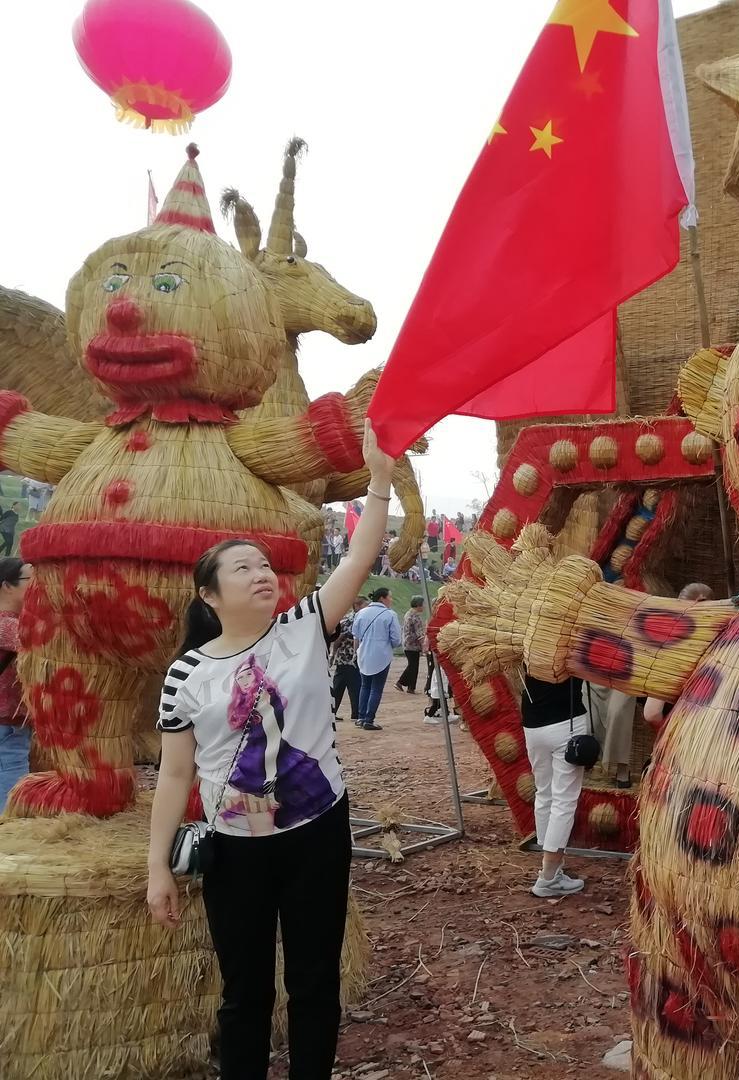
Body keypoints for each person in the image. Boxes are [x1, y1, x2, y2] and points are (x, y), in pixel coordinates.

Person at [145, 419, 395, 1080]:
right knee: (245, 993)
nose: (261, 575)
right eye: (242, 569)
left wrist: (378, 481)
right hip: (234, 848)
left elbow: (359, 557)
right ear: (208, 594)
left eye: (262, 565)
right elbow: (174, 776)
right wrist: (156, 868)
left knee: (314, 982)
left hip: (317, 829)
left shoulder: (305, 627)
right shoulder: (186, 675)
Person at [520, 672, 589, 897]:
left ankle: (551, 865)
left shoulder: (527, 637)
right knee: (564, 801)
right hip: (566, 722)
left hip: (532, 723)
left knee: (545, 793)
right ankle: (548, 877)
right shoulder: (570, 637)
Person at [642, 583, 714, 732]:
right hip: (714, 735)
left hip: (681, 735)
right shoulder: (726, 646)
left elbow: (652, 712)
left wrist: (666, 734)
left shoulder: (672, 651)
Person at [0, 559, 33, 804]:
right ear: (7, 586)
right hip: (6, 725)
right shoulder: (7, 626)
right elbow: (44, 646)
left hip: (9, 724)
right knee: (12, 785)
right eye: (30, 580)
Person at [350, 586, 402, 731]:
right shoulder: (390, 615)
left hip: (363, 654)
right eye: (389, 597)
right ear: (382, 598)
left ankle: (361, 717)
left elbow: (356, 636)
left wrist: (356, 653)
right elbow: (396, 639)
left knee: (364, 686)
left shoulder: (361, 613)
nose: (391, 600)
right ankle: (369, 719)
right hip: (381, 656)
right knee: (376, 688)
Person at [329, 596, 366, 723]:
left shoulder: (349, 619)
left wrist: (333, 655)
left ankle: (334, 712)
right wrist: (333, 654)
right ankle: (355, 714)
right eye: (364, 605)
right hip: (349, 658)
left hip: (344, 658)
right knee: (354, 687)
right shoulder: (353, 620)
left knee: (341, 687)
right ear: (357, 606)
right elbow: (339, 639)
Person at [396, 596, 425, 694]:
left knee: (412, 665)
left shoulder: (408, 614)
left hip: (407, 643)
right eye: (422, 604)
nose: (424, 607)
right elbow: (419, 634)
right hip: (413, 645)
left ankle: (407, 685)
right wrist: (424, 646)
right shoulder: (415, 617)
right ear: (418, 605)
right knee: (413, 666)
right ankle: (406, 685)